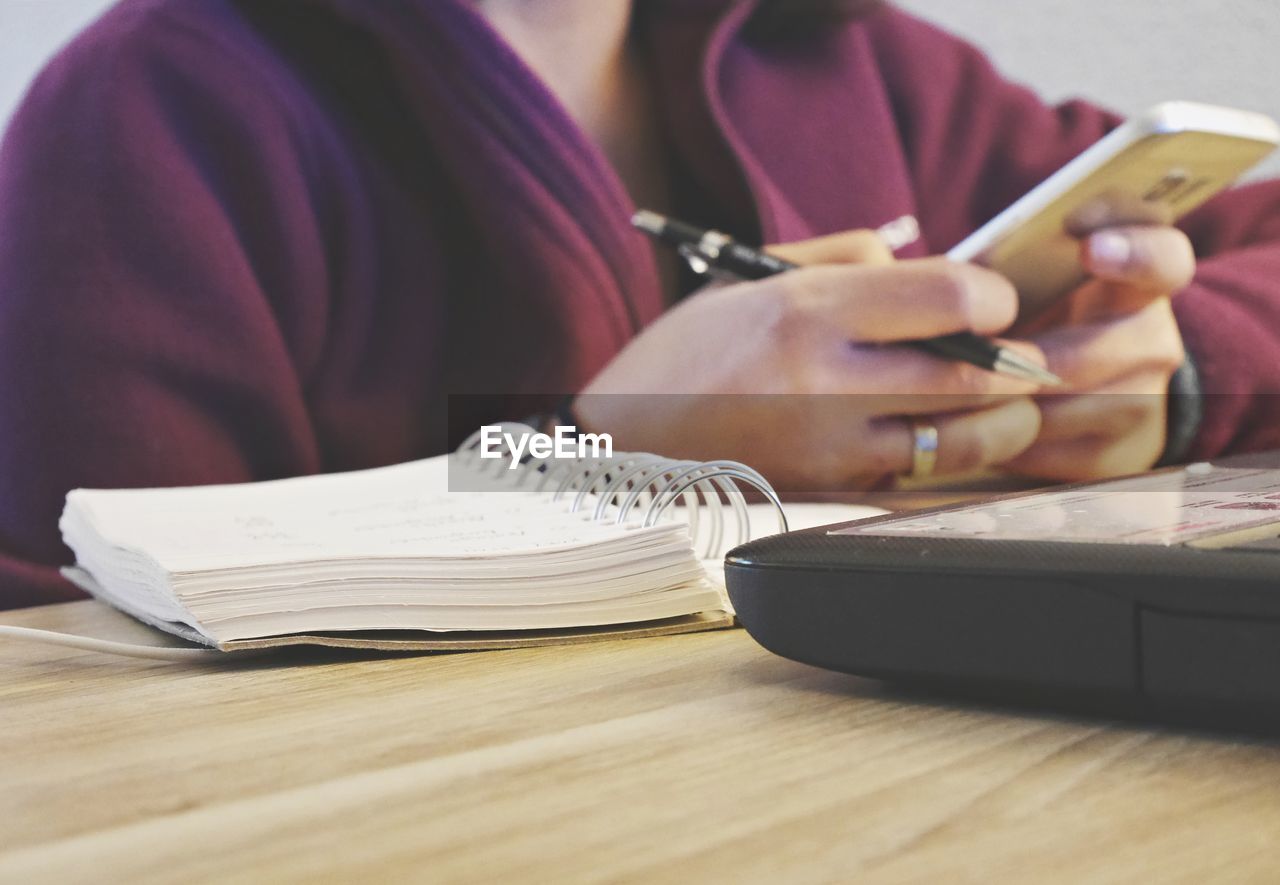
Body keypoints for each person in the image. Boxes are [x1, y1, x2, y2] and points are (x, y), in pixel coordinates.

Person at [0, 0, 1277, 609]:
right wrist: (597, 466)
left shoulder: (849, 58)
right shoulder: (152, 114)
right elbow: (77, 637)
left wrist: (1177, 375)